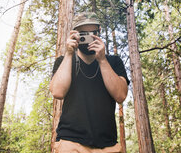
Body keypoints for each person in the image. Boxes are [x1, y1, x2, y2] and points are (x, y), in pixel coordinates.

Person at [50, 12, 130, 153]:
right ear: (74, 35)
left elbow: (121, 95)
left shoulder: (114, 62)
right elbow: (57, 92)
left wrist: (102, 60)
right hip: (70, 142)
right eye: (83, 34)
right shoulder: (64, 62)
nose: (87, 38)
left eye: (92, 33)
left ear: (99, 33)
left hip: (108, 145)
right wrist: (69, 53)